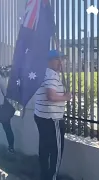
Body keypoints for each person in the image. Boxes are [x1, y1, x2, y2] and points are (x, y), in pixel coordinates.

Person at [34, 50, 70, 180]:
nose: (61, 62)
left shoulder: (42, 73)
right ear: (49, 61)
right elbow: (51, 96)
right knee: (56, 150)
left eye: (62, 59)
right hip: (52, 118)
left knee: (44, 147)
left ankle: (44, 175)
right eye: (57, 59)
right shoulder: (51, 74)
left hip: (41, 116)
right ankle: (52, 177)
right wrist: (66, 97)